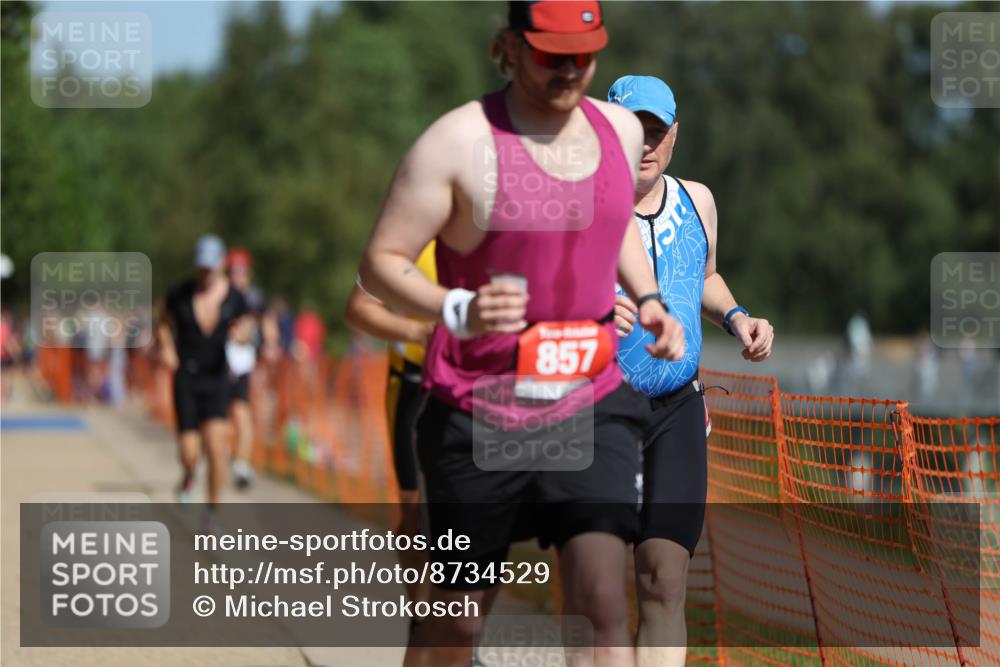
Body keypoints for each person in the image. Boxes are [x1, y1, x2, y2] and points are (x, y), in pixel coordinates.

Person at [358, 3, 686, 665]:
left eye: (584, 55)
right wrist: (459, 309)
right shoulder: (457, 143)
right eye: (551, 55)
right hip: (479, 407)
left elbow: (615, 217)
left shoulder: (620, 131)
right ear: (509, 48)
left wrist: (649, 296)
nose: (570, 70)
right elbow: (379, 264)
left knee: (601, 603)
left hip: (589, 397)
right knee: (456, 625)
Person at [607, 75, 774, 667]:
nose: (646, 145)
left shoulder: (697, 201)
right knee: (598, 584)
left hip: (677, 410)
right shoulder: (584, 208)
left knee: (664, 576)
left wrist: (738, 317)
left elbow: (702, 276)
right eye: (634, 131)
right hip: (601, 411)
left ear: (675, 134)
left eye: (657, 132)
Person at [344, 241, 437, 614]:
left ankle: (456, 630)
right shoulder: (408, 235)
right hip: (414, 382)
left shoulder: (497, 229)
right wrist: (417, 333)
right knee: (415, 513)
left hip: (477, 387)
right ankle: (421, 619)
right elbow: (358, 309)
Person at [157, 234, 251, 516]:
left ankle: (213, 512)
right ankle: (189, 474)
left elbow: (247, 326)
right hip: (186, 377)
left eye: (211, 266)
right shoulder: (179, 294)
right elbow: (163, 323)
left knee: (216, 446)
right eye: (202, 266)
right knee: (190, 452)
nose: (205, 272)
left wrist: (243, 334)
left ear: (222, 264)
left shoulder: (235, 297)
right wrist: (166, 348)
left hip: (217, 378)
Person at [225, 247, 280, 490]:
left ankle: (241, 464)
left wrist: (271, 344)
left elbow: (268, 321)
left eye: (242, 272)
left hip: (242, 364)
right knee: (220, 418)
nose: (238, 277)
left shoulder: (254, 298)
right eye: (233, 272)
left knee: (242, 414)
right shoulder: (221, 296)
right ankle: (221, 456)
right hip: (219, 362)